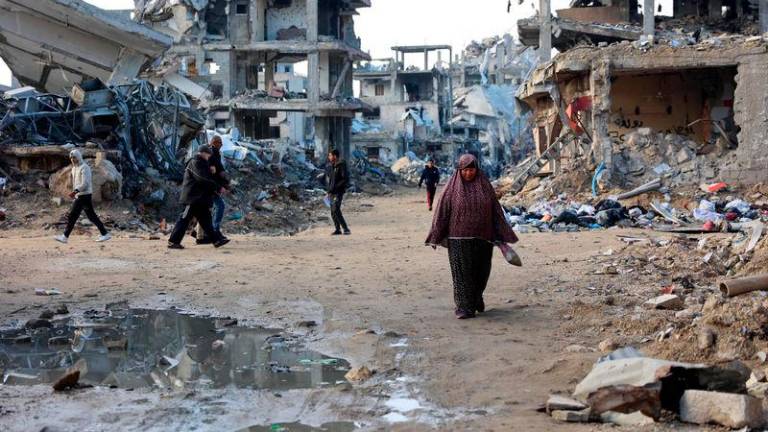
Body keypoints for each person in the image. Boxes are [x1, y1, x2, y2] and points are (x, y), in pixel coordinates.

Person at [425, 154, 518, 319]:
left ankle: (476, 298)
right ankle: (463, 307)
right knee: (462, 274)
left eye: (472, 169)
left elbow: (496, 211)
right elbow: (442, 212)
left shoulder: (485, 186)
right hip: (458, 238)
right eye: (465, 170)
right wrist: (435, 235)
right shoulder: (451, 189)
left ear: (477, 169)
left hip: (483, 238)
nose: (469, 173)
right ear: (460, 170)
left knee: (481, 273)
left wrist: (501, 234)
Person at [168, 145, 230, 249]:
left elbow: (207, 178)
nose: (209, 156)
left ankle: (216, 240)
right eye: (208, 154)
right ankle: (173, 241)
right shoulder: (195, 162)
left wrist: (213, 175)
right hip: (192, 198)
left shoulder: (203, 163)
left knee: (206, 221)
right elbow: (202, 178)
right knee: (184, 219)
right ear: (203, 153)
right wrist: (218, 188)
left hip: (200, 198)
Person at [54, 150, 111, 244]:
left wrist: (75, 191)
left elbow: (85, 183)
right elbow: (75, 182)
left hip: (84, 195)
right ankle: (105, 233)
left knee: (73, 215)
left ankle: (65, 236)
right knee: (91, 216)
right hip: (80, 195)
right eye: (71, 158)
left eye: (74, 157)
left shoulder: (85, 168)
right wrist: (74, 192)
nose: (73, 159)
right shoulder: (74, 169)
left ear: (79, 157)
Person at [207, 135, 230, 240]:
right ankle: (215, 231)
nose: (221, 145)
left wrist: (225, 183)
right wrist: (219, 186)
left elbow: (219, 170)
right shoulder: (211, 155)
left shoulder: (216, 154)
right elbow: (214, 173)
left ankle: (203, 233)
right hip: (210, 186)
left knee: (208, 210)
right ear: (214, 143)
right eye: (219, 142)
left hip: (213, 185)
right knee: (219, 206)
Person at [325, 149, 350, 235]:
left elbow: (345, 179)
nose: (329, 157)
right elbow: (331, 180)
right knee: (332, 211)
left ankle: (346, 229)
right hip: (332, 192)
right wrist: (328, 191)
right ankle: (337, 229)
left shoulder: (341, 165)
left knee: (336, 209)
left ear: (335, 156)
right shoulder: (331, 166)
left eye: (330, 155)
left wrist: (336, 187)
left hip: (338, 191)